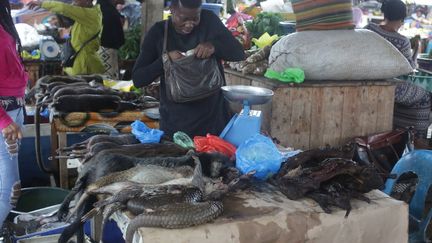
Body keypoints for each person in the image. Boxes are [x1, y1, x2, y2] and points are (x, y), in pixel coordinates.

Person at [132, 0, 245, 138]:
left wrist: (214, 46)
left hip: (214, 120)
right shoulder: (159, 32)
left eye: (195, 18)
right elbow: (138, 79)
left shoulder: (209, 21)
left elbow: (239, 53)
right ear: (171, 9)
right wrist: (165, 60)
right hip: (177, 126)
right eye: (184, 18)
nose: (190, 24)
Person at [366, 0, 430, 138]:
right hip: (388, 86)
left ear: (384, 13)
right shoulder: (402, 41)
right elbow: (408, 69)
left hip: (365, 78)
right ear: (402, 18)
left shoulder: (368, 29)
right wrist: (416, 51)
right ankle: (415, 137)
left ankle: (397, 126)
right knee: (425, 97)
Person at [0, 0, 27, 230]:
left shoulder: (3, 22)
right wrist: (4, 120)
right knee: (10, 190)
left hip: (13, 111)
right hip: (4, 117)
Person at [27, 0, 104, 76]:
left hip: (86, 67)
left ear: (88, 1)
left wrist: (42, 3)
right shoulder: (85, 15)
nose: (74, 1)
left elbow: (64, 8)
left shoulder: (90, 14)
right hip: (80, 65)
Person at [97, 0, 125, 79]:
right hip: (107, 52)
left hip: (101, 51)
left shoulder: (99, 7)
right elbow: (119, 38)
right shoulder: (109, 11)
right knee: (109, 83)